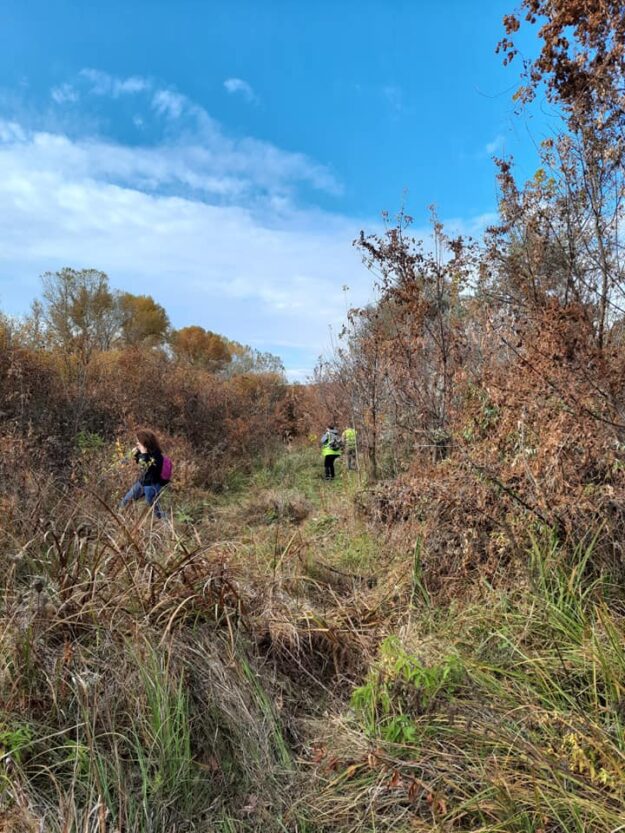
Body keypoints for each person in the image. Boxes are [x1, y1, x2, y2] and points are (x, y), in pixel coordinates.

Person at [120, 429, 166, 519]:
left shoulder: (157, 455)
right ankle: (118, 520)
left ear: (145, 442)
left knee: (156, 510)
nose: (137, 443)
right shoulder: (140, 452)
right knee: (124, 503)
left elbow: (146, 468)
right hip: (142, 483)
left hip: (152, 485)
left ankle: (167, 525)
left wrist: (144, 454)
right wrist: (130, 454)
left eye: (138, 441)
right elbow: (123, 463)